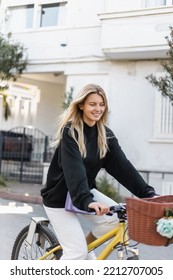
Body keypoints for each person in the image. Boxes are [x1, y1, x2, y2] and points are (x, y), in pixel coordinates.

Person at [41, 83, 158, 260]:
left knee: (115, 221)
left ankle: (83, 250)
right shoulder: (70, 132)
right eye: (92, 104)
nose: (98, 109)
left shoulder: (105, 134)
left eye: (101, 104)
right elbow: (75, 171)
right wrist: (87, 200)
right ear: (81, 105)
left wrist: (147, 194)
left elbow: (123, 168)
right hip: (59, 198)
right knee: (76, 253)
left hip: (84, 192)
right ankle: (77, 254)